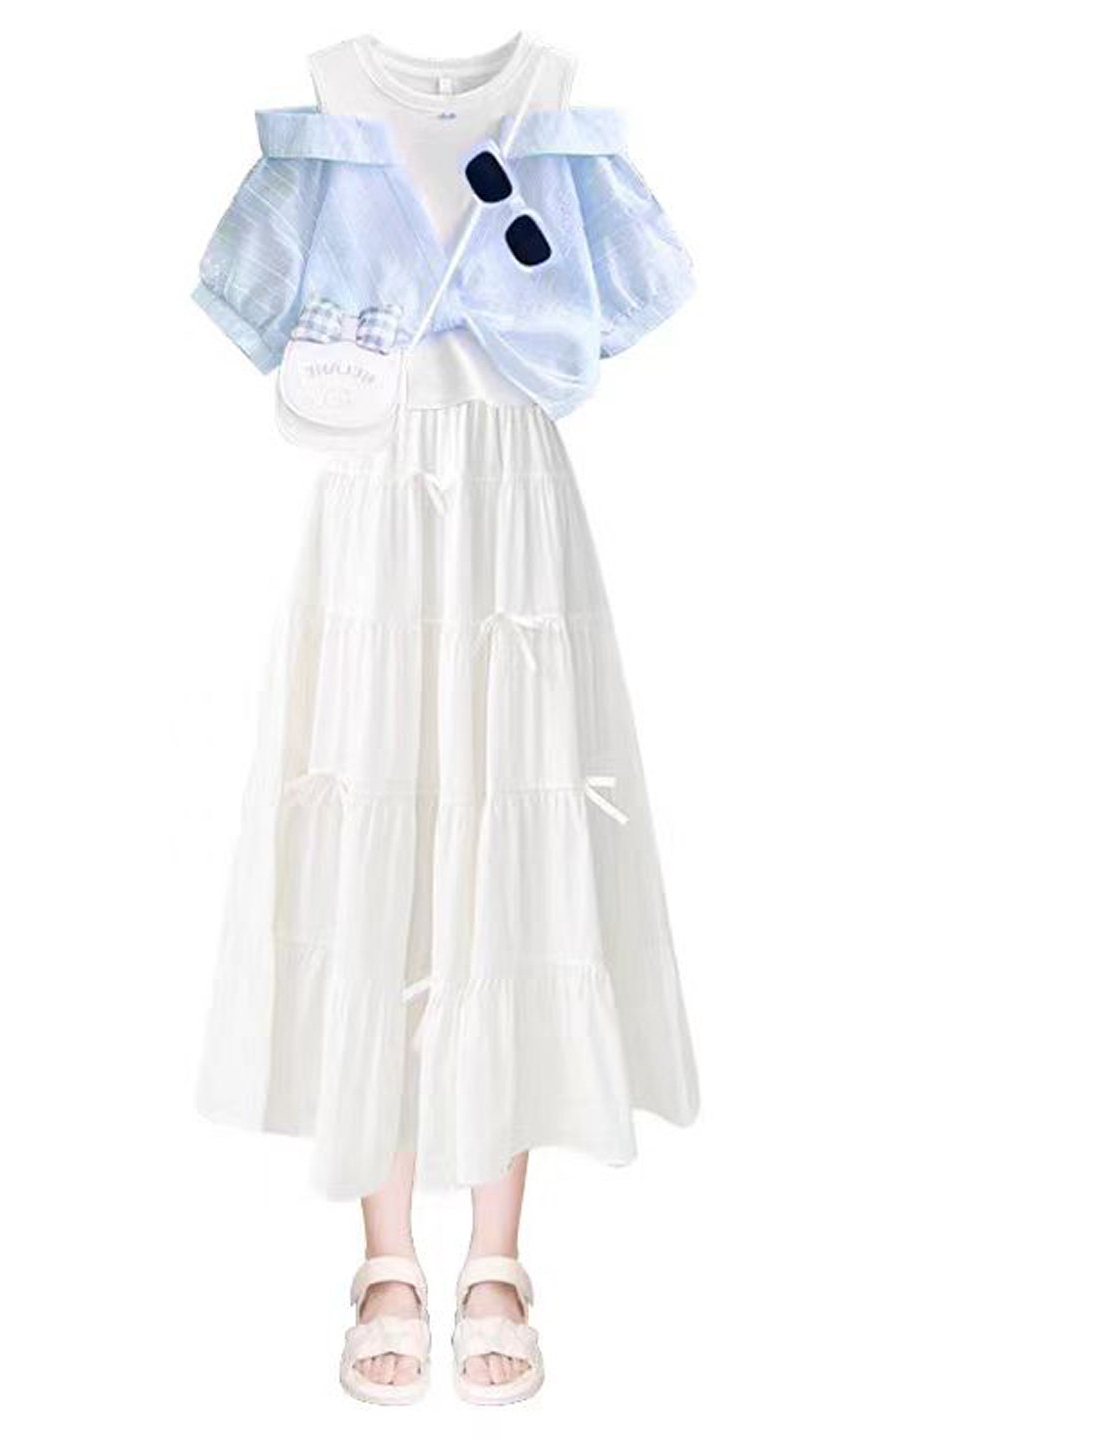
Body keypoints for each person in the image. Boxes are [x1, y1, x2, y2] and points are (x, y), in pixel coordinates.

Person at [192, 33, 700, 1404]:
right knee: (376, 815)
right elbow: (249, 298)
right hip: (371, 495)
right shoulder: (330, 100)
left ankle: (496, 1255)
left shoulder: (553, 101)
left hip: (512, 501)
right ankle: (385, 1256)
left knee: (510, 833)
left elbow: (624, 298)